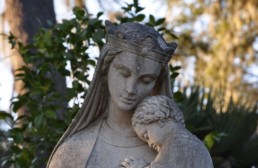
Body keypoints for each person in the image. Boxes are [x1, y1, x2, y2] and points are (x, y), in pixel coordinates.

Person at [47, 21, 178, 168]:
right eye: (123, 73)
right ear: (105, 70)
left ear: (157, 83)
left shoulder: (180, 151)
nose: (131, 89)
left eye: (146, 80)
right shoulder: (73, 150)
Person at [121, 95, 213, 168]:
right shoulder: (197, 144)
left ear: (159, 119)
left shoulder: (175, 143)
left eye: (146, 135)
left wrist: (138, 166)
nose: (149, 144)